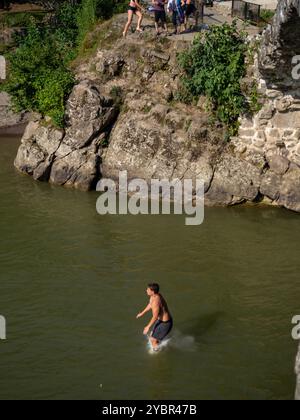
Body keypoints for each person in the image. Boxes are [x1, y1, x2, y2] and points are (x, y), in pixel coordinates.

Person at [136, 283, 173, 351]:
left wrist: (148, 326)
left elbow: (155, 316)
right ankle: (158, 342)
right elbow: (150, 305)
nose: (146, 290)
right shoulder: (154, 296)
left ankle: (157, 351)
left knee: (153, 339)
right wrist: (142, 313)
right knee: (151, 335)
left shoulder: (156, 301)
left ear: (152, 291)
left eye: (148, 289)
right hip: (161, 321)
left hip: (165, 324)